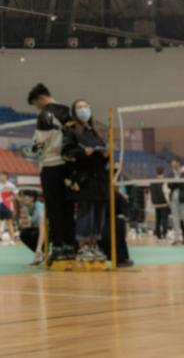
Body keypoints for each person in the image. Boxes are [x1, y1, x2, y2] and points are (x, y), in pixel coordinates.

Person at [27, 83, 75, 261]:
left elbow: (39, 144)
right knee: (68, 207)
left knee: (54, 209)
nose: (37, 108)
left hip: (51, 165)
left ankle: (58, 247)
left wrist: (30, 151)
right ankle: (70, 246)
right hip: (68, 166)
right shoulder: (69, 111)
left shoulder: (45, 114)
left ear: (41, 98)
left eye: (36, 104)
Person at [62, 99, 109, 262]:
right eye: (79, 107)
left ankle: (94, 245)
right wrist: (83, 153)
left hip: (99, 180)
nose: (83, 109)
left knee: (99, 214)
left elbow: (102, 155)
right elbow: (66, 153)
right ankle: (83, 247)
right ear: (74, 112)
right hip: (84, 179)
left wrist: (105, 155)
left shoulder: (94, 132)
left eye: (86, 106)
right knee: (86, 213)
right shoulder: (71, 131)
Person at [168, 159, 184, 245]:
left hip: (183, 197)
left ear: (178, 163)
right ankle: (176, 239)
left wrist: (175, 183)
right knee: (175, 219)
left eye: (173, 162)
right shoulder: (171, 173)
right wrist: (177, 182)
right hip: (173, 198)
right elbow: (169, 185)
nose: (172, 163)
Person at [17, 190, 47, 265]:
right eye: (20, 196)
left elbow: (42, 230)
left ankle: (44, 253)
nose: (21, 199)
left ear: (32, 198)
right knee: (24, 234)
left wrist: (38, 247)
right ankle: (41, 255)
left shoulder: (40, 208)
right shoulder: (27, 207)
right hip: (39, 230)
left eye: (24, 196)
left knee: (34, 234)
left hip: (49, 232)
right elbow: (32, 226)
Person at [0, 172, 17, 243]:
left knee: (9, 223)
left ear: (6, 176)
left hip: (8, 206)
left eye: (1, 175)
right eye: (0, 175)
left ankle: (13, 239)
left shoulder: (11, 185)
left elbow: (16, 196)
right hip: (0, 206)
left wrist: (10, 198)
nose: (0, 177)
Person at [150, 166, 170, 241]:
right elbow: (166, 192)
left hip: (156, 204)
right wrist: (169, 202)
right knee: (165, 220)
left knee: (158, 220)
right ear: (163, 171)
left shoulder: (152, 182)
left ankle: (158, 235)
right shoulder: (165, 181)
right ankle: (164, 234)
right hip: (164, 203)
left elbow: (152, 193)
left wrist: (153, 202)